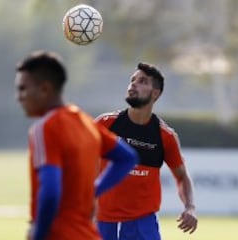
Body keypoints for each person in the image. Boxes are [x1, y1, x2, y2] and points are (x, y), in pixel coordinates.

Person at [14, 50, 139, 240]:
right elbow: (127, 158)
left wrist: (39, 234)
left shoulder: (45, 128)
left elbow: (50, 192)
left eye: (23, 88)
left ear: (44, 89)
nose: (19, 97)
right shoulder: (86, 122)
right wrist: (94, 190)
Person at [95, 62, 198, 240]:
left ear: (155, 93)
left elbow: (181, 176)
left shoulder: (165, 136)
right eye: (132, 80)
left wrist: (190, 206)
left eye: (142, 81)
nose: (134, 84)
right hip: (102, 221)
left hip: (142, 224)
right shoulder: (105, 124)